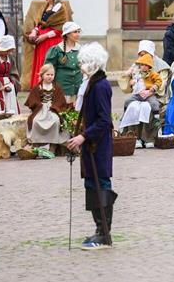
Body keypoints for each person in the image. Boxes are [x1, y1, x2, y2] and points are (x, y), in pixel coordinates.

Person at [66, 43, 117, 251]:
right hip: (91, 145)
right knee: (91, 186)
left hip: (99, 145)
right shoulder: (91, 83)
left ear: (92, 64)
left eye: (83, 63)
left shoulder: (101, 86)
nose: (80, 66)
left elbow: (104, 120)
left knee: (101, 185)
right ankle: (99, 228)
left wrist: (83, 137)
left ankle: (104, 232)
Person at [23, 0, 71, 89]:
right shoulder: (45, 6)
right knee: (41, 64)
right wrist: (34, 31)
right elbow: (41, 23)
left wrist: (45, 36)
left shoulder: (60, 8)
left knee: (49, 63)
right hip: (41, 41)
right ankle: (40, 89)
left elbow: (61, 28)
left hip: (52, 41)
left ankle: (51, 89)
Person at [119, 53, 165, 146]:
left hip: (148, 93)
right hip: (137, 94)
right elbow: (132, 81)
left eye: (145, 65)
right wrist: (132, 82)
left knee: (154, 103)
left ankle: (156, 117)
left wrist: (152, 88)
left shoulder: (152, 74)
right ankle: (124, 115)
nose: (143, 67)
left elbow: (159, 81)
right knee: (128, 101)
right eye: (141, 65)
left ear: (149, 66)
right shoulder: (137, 73)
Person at [25, 63, 69, 148]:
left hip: (52, 110)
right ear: (42, 75)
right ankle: (36, 143)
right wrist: (39, 104)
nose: (50, 77)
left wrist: (53, 106)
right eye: (47, 74)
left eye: (52, 75)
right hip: (40, 110)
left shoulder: (56, 87)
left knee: (56, 121)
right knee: (35, 121)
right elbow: (32, 99)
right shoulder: (38, 87)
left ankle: (53, 144)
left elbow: (60, 100)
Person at [44, 21, 83, 104]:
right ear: (67, 34)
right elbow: (48, 69)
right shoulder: (56, 50)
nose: (78, 34)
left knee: (77, 114)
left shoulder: (81, 49)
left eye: (78, 32)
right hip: (62, 89)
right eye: (75, 32)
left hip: (78, 89)